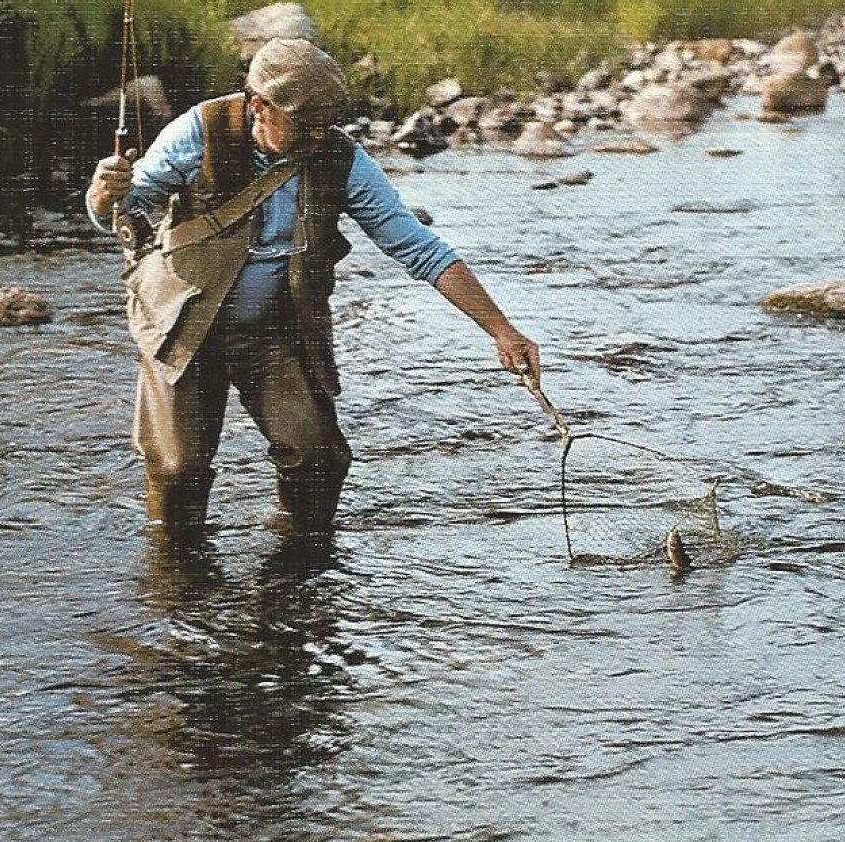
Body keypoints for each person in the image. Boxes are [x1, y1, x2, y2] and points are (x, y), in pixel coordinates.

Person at [87, 37, 540, 533]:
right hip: (183, 326)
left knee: (319, 461)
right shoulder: (202, 130)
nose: (317, 139)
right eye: (304, 126)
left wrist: (501, 329)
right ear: (259, 105)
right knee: (179, 475)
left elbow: (419, 248)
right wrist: (102, 192)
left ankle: (296, 565)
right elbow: (120, 212)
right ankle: (177, 591)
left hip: (275, 331)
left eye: (326, 125)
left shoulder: (342, 159)